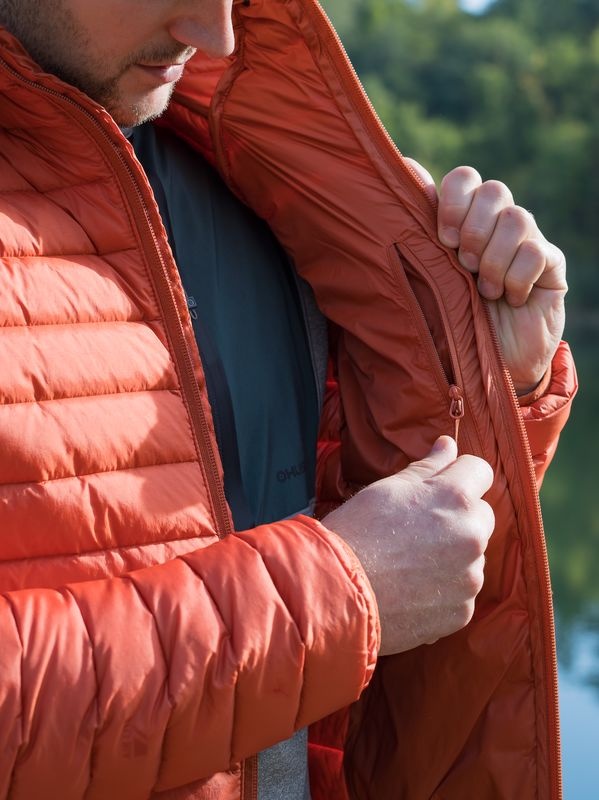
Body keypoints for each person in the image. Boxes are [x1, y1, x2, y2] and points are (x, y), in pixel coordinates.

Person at [0, 1, 576, 799]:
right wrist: (339, 598)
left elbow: (396, 549)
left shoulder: (251, 171)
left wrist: (480, 384)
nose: (217, 34)